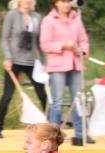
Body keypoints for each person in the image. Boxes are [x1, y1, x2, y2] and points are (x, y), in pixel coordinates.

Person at [40, 0, 92, 145]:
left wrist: (82, 51)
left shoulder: (77, 18)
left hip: (75, 64)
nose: (66, 4)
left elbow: (84, 40)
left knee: (79, 100)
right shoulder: (48, 20)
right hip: (57, 66)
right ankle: (52, 137)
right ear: (55, 3)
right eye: (63, 1)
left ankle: (81, 134)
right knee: (57, 101)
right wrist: (63, 45)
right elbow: (45, 44)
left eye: (68, 1)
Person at [0, 0, 47, 139]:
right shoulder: (12, 15)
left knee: (43, 94)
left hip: (31, 62)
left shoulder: (37, 17)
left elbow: (39, 42)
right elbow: (4, 39)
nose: (27, 1)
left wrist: (45, 62)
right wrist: (8, 58)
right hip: (14, 62)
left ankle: (52, 126)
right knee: (7, 95)